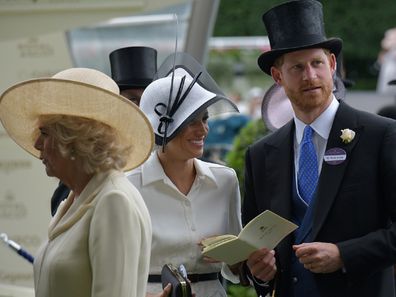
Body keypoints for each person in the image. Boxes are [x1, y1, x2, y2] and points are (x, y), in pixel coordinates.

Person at [241, 1, 396, 297]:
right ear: (277, 77)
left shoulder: (381, 135)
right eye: (297, 67)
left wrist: (344, 254)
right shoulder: (261, 155)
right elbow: (255, 246)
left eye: (316, 63)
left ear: (333, 65)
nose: (309, 76)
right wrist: (258, 272)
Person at [0, 67, 154, 297]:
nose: (37, 144)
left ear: (74, 139)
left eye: (45, 132)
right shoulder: (77, 199)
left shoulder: (114, 201)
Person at [128, 52, 242, 297]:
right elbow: (112, 269)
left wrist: (238, 256)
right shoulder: (129, 185)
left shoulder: (225, 181)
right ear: (164, 127)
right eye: (191, 121)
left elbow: (236, 270)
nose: (203, 129)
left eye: (205, 118)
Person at [50, 46, 158, 216]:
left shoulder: (173, 159)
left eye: (149, 99)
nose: (141, 108)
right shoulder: (92, 160)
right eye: (133, 99)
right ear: (116, 105)